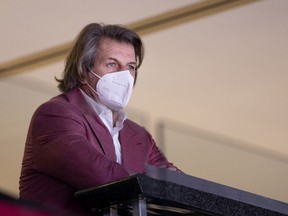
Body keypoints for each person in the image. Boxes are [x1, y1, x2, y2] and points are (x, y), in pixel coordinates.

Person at [19, 23, 179, 215]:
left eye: (130, 67)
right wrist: (157, 183)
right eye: (112, 64)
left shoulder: (138, 136)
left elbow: (179, 185)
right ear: (84, 71)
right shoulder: (55, 115)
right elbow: (102, 176)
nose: (124, 75)